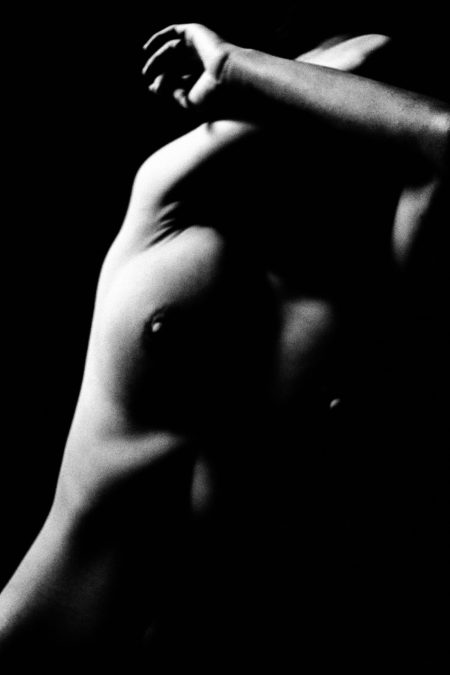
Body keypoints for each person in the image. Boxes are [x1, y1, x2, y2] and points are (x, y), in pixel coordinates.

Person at [0, 23, 448, 673]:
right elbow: (358, 60)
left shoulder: (386, 286)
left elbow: (438, 134)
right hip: (34, 640)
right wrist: (244, 72)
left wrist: (245, 66)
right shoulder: (169, 213)